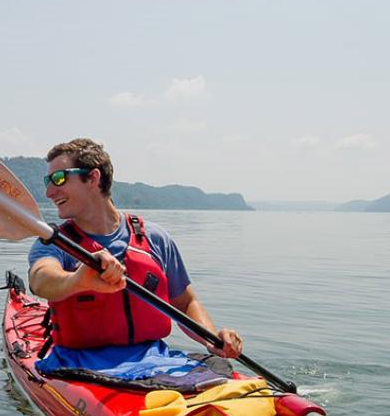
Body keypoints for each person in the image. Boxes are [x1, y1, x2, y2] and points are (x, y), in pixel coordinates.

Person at [27, 139, 243, 361]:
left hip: (153, 361)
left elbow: (186, 303)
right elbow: (40, 278)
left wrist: (210, 338)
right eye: (48, 181)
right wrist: (77, 280)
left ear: (92, 178)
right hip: (77, 364)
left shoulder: (156, 238)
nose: (49, 192)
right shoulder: (55, 242)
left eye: (59, 178)